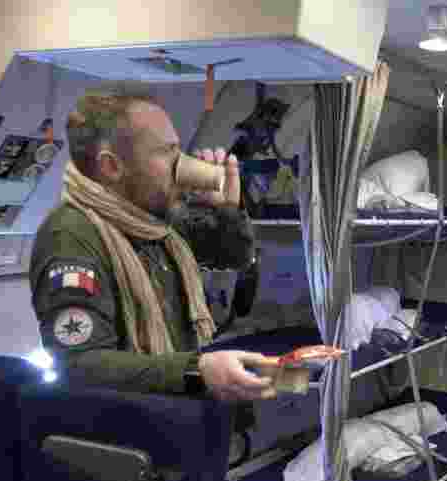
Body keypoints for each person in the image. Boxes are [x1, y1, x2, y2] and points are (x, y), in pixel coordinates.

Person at [29, 85, 276, 402]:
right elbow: (80, 363)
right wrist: (195, 370)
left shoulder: (155, 220)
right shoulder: (71, 236)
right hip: (121, 432)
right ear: (111, 167)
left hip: (174, 411)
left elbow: (235, 256)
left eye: (178, 150)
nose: (180, 164)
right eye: (166, 152)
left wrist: (225, 209)